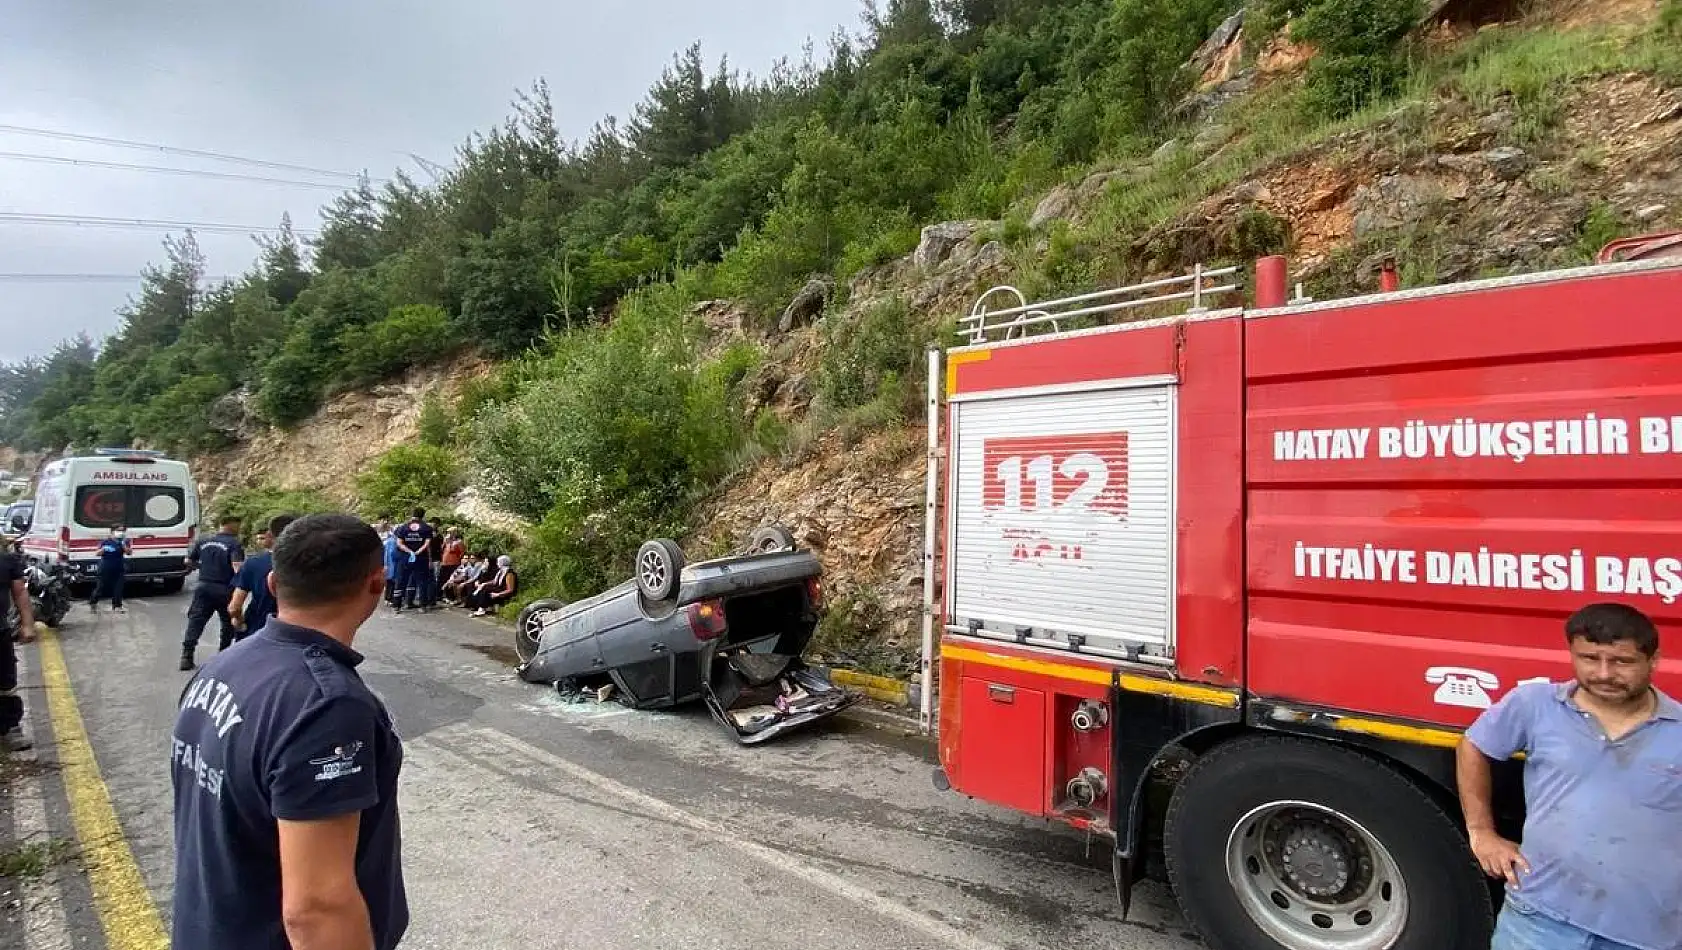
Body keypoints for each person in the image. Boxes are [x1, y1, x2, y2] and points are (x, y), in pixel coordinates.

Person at [170, 513, 407, 950]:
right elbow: (317, 907)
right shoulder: (327, 706)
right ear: (377, 583)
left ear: (274, 584)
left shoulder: (222, 667)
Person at [1457, 603, 1682, 950]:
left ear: (1653, 661)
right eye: (1590, 659)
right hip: (1537, 921)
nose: (1604, 673)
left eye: (1621, 662)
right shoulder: (1534, 704)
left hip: (1644, 934)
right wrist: (1481, 831)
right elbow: (1474, 745)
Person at [181, 516, 246, 671]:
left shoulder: (203, 541)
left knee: (196, 621)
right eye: (238, 524)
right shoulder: (234, 544)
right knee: (227, 623)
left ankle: (186, 656)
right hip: (225, 588)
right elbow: (237, 567)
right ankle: (223, 655)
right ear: (230, 525)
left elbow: (187, 561)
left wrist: (202, 568)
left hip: (203, 587)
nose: (239, 528)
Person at [229, 514, 296, 641]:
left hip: (257, 631)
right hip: (296, 637)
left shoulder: (253, 564)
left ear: (271, 534)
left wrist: (239, 622)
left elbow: (234, 607)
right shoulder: (311, 565)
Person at [1, 541, 36, 752]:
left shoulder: (7, 560)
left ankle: (10, 727)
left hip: (0, 631)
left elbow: (20, 592)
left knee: (5, 682)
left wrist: (27, 624)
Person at [391, 508, 436, 612]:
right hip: (421, 558)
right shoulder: (427, 528)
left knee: (401, 580)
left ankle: (396, 605)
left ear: (412, 514)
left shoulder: (402, 527)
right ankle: (422, 606)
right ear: (423, 515)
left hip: (405, 557)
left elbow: (399, 543)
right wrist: (418, 552)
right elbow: (427, 544)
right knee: (422, 581)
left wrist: (409, 551)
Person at [89, 524, 132, 613]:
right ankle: (93, 603)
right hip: (105, 568)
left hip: (119, 568)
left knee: (118, 588)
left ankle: (117, 606)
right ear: (112, 531)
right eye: (119, 530)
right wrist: (104, 549)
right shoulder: (106, 542)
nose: (121, 533)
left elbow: (129, 552)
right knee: (100, 587)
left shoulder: (125, 541)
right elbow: (97, 553)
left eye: (123, 531)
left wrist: (123, 545)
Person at [435, 528, 465, 601]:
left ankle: (450, 596)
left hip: (453, 563)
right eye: (448, 532)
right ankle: (439, 595)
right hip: (444, 563)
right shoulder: (447, 541)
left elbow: (462, 552)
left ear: (454, 533)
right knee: (441, 579)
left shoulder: (459, 542)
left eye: (450, 532)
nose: (449, 534)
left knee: (450, 579)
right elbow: (441, 550)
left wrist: (457, 559)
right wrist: (445, 542)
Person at [380, 522, 400, 608]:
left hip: (390, 564)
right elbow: (389, 554)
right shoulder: (392, 542)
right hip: (392, 565)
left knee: (390, 582)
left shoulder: (390, 541)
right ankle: (390, 599)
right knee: (391, 582)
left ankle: (388, 599)